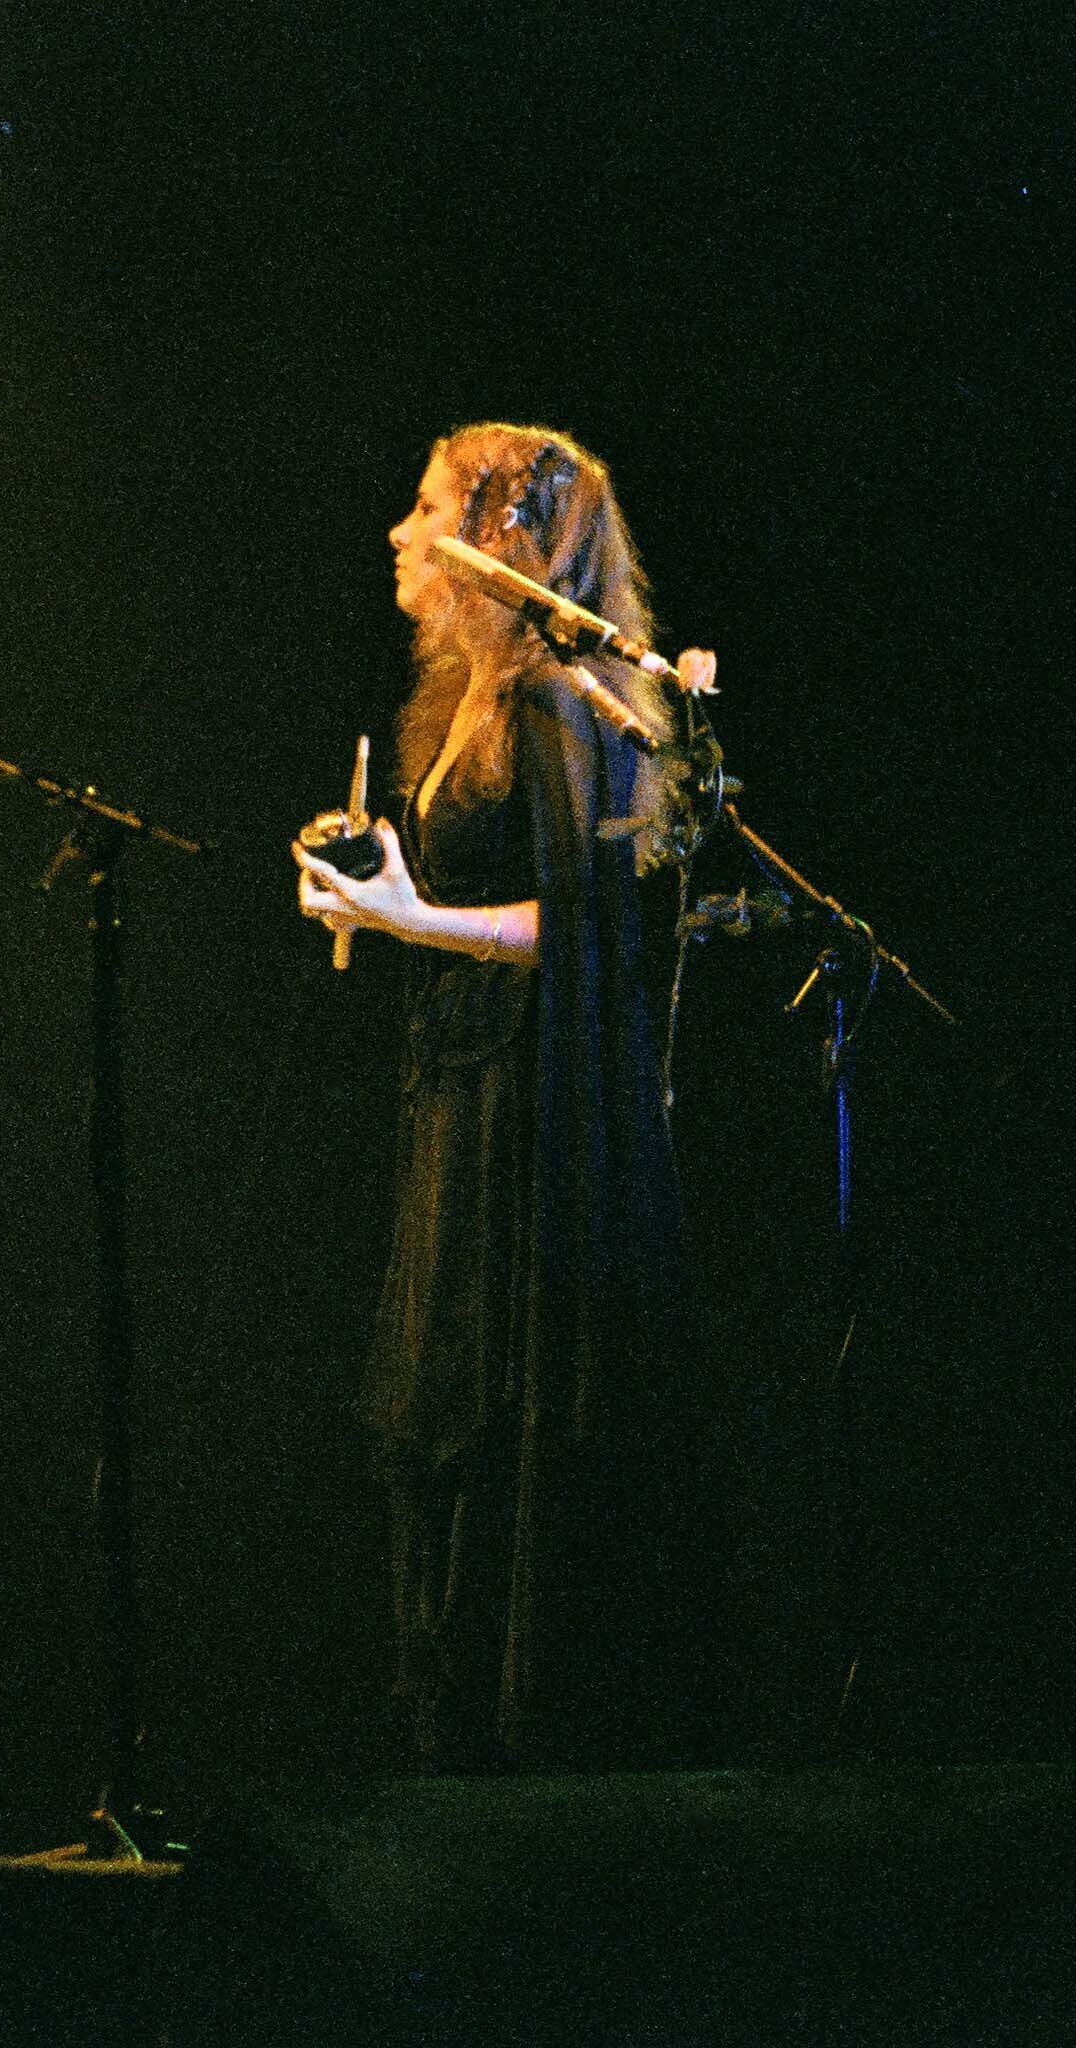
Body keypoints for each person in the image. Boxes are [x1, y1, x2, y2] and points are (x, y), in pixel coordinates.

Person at [294, 422, 707, 1770]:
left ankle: (496, 1745)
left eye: (428, 511)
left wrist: (412, 922)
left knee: (485, 1405)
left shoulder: (550, 704)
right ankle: (443, 1737)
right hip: (457, 1083)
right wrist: (374, 873)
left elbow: (583, 932)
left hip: (519, 1106)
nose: (402, 536)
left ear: (503, 544)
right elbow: (468, 886)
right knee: (437, 1410)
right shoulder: (464, 698)